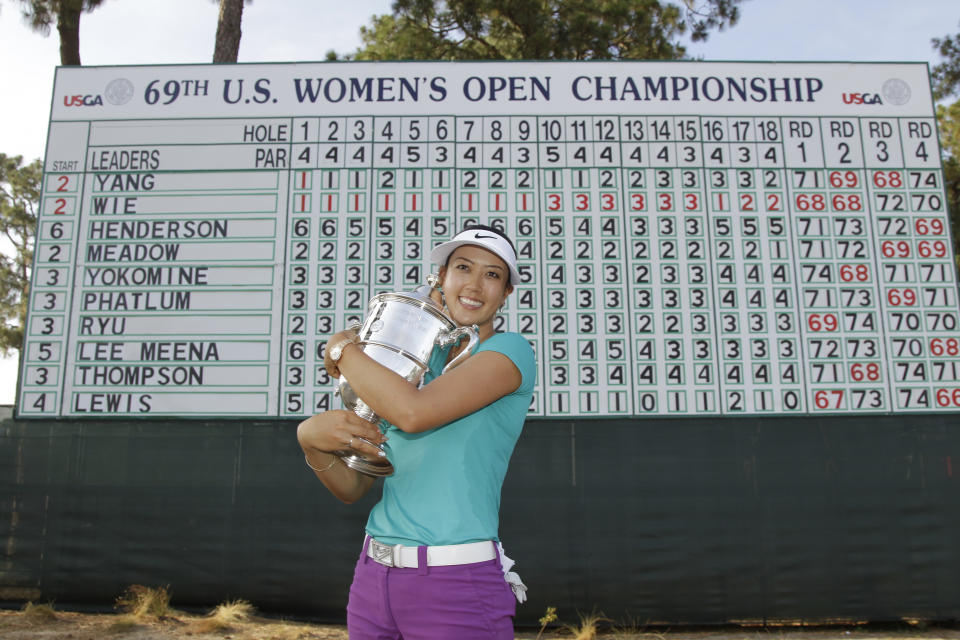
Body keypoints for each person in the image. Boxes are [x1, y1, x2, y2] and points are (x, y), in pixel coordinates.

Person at [297, 224, 537, 640]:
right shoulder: (414, 363)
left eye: (493, 274)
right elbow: (353, 486)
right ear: (440, 278)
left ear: (506, 294)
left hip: (455, 583)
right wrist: (310, 442)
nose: (475, 284)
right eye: (462, 267)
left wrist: (342, 349)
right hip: (373, 578)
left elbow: (413, 414)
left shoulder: (509, 351)